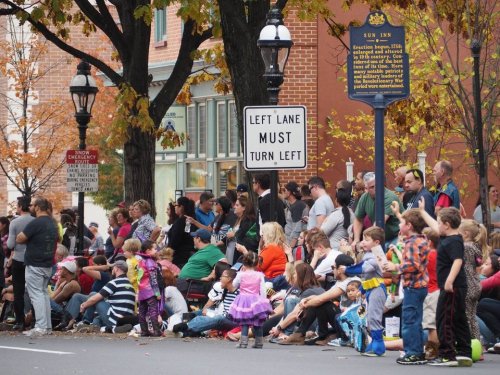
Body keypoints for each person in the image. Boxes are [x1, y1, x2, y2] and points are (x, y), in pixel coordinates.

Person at [418, 199, 472, 367]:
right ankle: (464, 352)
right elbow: (435, 225)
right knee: (457, 318)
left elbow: (457, 261)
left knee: (444, 318)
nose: (438, 226)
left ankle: (447, 354)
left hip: (451, 286)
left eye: (441, 222)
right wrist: (422, 211)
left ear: (447, 225)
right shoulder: (447, 236)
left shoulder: (454, 241)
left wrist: (449, 281)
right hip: (454, 286)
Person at [384, 209, 430, 365]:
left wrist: (395, 267)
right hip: (420, 285)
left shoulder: (412, 242)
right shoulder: (422, 239)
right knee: (416, 320)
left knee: (410, 320)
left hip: (413, 286)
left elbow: (412, 265)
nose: (399, 224)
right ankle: (417, 350)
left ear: (409, 225)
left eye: (401, 222)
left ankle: (412, 352)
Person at [16, 197, 58, 337]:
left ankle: (40, 326)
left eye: (33, 205)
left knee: (36, 295)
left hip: (35, 263)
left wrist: (27, 238)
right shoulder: (53, 223)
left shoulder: (36, 223)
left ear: (38, 207)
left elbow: (20, 238)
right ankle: (47, 327)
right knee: (43, 294)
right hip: (47, 263)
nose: (31, 207)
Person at [343, 226, 386, 357]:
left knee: (374, 317)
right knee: (369, 318)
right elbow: (366, 277)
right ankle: (374, 343)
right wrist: (362, 289)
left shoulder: (376, 255)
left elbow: (364, 268)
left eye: (366, 240)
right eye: (363, 239)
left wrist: (346, 270)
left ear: (377, 242)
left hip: (377, 289)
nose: (363, 242)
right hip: (370, 289)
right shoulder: (368, 254)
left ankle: (378, 346)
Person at [173, 268, 239, 337]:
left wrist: (210, 313)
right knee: (199, 316)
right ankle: (185, 332)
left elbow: (233, 315)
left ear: (229, 279)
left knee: (219, 318)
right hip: (222, 316)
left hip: (233, 321)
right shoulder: (225, 291)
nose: (220, 278)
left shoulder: (239, 293)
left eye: (222, 276)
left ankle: (186, 327)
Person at [228, 252, 273, 349]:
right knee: (257, 322)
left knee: (245, 322)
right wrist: (264, 302)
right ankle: (259, 342)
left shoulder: (241, 275)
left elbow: (234, 285)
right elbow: (262, 290)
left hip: (244, 299)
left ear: (244, 263)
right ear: (257, 264)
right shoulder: (259, 275)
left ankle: (243, 342)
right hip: (256, 300)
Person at [78, 260, 136, 332]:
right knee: (97, 320)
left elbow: (95, 299)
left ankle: (85, 322)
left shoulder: (114, 283)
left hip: (114, 318)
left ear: (116, 269)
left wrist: (84, 306)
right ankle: (103, 328)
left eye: (113, 268)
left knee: (93, 295)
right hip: (124, 320)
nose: (112, 270)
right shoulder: (130, 285)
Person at [352, 172, 402, 250]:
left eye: (377, 185)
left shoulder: (389, 197)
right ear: (366, 188)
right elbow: (358, 219)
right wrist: (356, 239)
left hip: (396, 235)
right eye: (371, 187)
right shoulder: (364, 197)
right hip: (381, 237)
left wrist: (366, 241)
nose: (375, 189)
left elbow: (379, 223)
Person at [5, 196, 34, 331]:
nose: (16, 208)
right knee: (35, 291)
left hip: (19, 259)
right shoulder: (36, 222)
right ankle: (34, 320)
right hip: (33, 260)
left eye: (17, 205)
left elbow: (10, 244)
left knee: (19, 291)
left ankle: (20, 321)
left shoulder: (15, 223)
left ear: (21, 206)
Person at [236, 222, 287, 290]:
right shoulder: (276, 247)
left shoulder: (272, 248)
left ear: (269, 234)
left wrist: (245, 252)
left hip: (270, 281)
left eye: (263, 232)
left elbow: (256, 267)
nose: (261, 235)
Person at [458, 219, 487, 341]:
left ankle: (470, 343)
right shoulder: (475, 246)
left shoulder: (466, 247)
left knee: (467, 317)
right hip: (475, 284)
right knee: (472, 316)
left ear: (466, 233)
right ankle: (476, 344)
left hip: (468, 285)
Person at [177, 229, 227, 293]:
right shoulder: (202, 250)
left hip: (193, 284)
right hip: (185, 282)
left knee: (167, 287)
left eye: (194, 237)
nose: (193, 239)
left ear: (198, 239)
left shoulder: (212, 250)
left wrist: (210, 276)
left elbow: (224, 263)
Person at [137, 240, 163, 337]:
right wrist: (157, 293)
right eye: (155, 248)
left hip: (141, 290)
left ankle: (144, 331)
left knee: (142, 311)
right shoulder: (150, 262)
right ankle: (156, 331)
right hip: (150, 291)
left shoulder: (140, 262)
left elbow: (138, 277)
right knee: (153, 310)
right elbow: (153, 279)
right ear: (148, 250)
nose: (156, 250)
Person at [421, 227, 440, 360]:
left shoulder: (430, 255)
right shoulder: (440, 254)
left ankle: (432, 350)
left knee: (431, 324)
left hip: (432, 290)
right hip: (439, 289)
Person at [320, 182, 355, 250]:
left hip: (333, 249)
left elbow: (322, 232)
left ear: (336, 200)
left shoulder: (336, 214)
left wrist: (325, 220)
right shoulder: (353, 214)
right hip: (345, 249)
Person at [225, 196, 258, 264]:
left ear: (244, 207)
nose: (234, 206)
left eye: (237, 205)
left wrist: (234, 234)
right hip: (233, 251)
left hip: (242, 254)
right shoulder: (238, 219)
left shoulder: (248, 220)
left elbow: (242, 236)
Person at [167, 196, 196, 268]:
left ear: (181, 207)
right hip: (188, 255)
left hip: (179, 258)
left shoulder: (180, 222)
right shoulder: (192, 219)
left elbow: (174, 241)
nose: (175, 207)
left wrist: (167, 253)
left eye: (176, 205)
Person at [283, 181, 307, 248]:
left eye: (284, 190)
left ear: (289, 192)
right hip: (289, 241)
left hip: (294, 245)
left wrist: (291, 247)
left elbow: (297, 229)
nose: (283, 192)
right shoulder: (292, 205)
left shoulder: (297, 206)